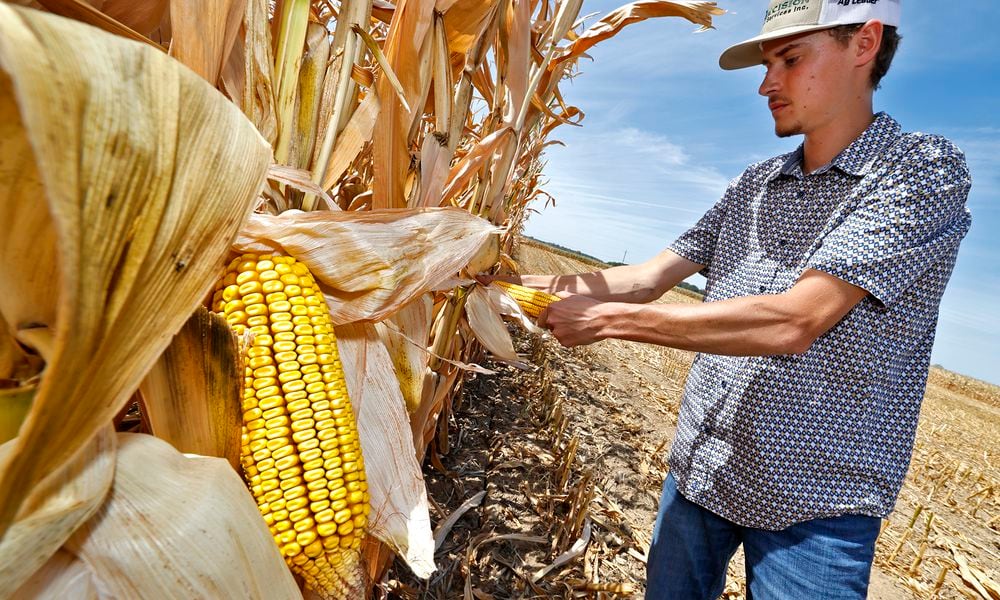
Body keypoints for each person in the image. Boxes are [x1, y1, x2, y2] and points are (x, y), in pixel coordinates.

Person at [486, 0, 972, 598]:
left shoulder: (920, 171)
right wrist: (502, 287)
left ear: (865, 44)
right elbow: (645, 278)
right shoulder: (755, 181)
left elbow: (795, 321)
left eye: (790, 59)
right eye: (766, 64)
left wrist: (611, 321)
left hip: (816, 503)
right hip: (703, 472)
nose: (767, 83)